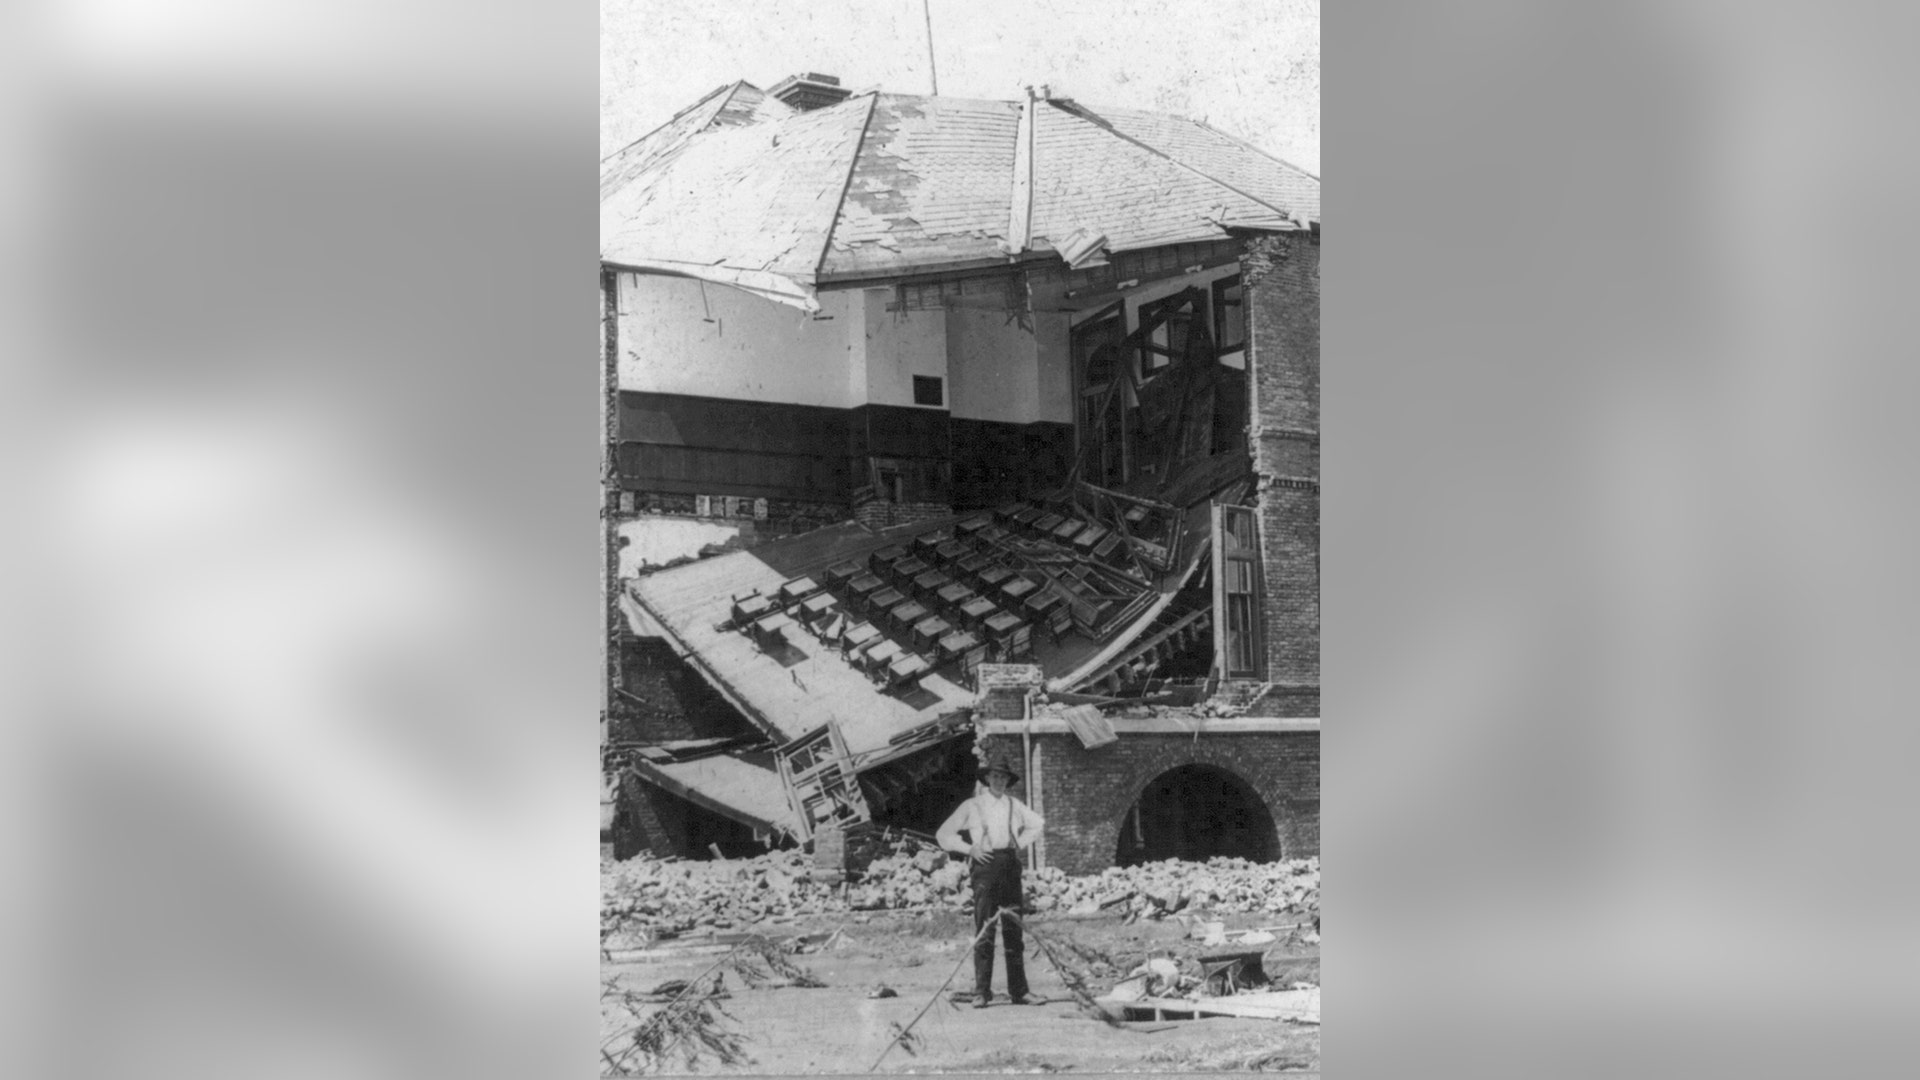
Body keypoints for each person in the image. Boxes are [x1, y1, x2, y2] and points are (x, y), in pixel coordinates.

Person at [935, 752, 1045, 1008]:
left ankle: (1019, 991)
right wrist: (969, 849)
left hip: (1009, 865)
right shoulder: (972, 806)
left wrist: (1019, 842)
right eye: (994, 776)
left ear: (1008, 781)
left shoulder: (1013, 805)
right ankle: (981, 992)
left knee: (1013, 928)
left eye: (1003, 777)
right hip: (984, 867)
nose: (999, 781)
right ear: (986, 778)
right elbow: (944, 834)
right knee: (985, 928)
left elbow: (1038, 824)